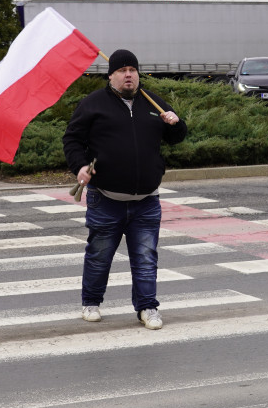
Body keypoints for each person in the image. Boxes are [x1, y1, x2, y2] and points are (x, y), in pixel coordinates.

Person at [62, 49, 187, 330]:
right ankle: (91, 302)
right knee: (99, 256)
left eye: (132, 69)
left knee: (145, 258)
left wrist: (176, 124)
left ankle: (147, 307)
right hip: (106, 198)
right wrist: (80, 166)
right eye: (122, 70)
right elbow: (72, 139)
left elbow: (177, 137)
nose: (128, 75)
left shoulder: (151, 101)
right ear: (111, 76)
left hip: (146, 200)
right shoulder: (93, 104)